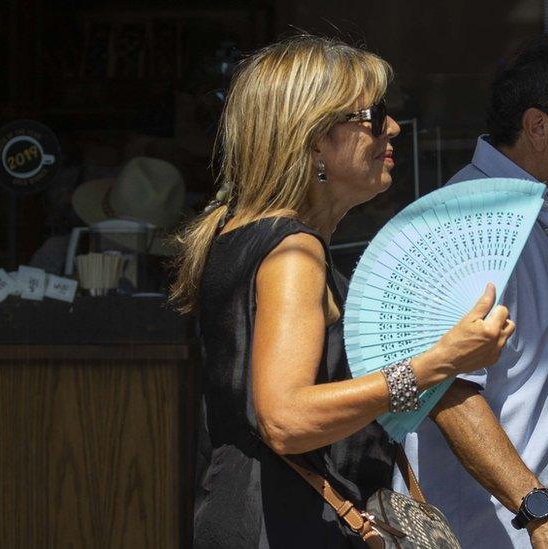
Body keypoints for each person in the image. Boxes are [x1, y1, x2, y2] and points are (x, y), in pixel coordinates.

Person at [169, 35, 516, 548]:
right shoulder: (294, 254)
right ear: (313, 139)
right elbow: (285, 418)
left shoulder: (241, 234)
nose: (392, 127)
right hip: (286, 528)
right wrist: (437, 362)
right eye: (373, 116)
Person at [403, 35, 548, 549]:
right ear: (539, 125)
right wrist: (541, 512)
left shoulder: (531, 216)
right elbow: (446, 389)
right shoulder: (474, 225)